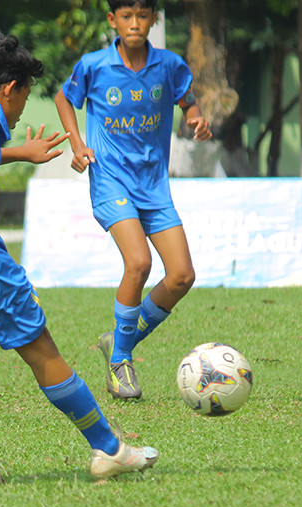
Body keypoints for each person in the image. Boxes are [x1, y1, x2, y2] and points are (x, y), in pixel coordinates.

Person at [0, 29, 159, 484]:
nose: (22, 110)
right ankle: (110, 448)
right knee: (43, 352)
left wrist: (19, 153)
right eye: (24, 97)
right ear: (9, 89)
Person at [54, 0, 213, 400]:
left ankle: (118, 340)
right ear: (113, 20)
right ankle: (120, 362)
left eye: (143, 16)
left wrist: (194, 116)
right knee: (139, 262)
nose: (135, 23)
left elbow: (187, 100)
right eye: (126, 16)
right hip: (110, 181)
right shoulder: (94, 65)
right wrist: (77, 142)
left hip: (154, 185)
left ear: (154, 20)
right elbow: (63, 98)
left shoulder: (170, 66)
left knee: (181, 276)